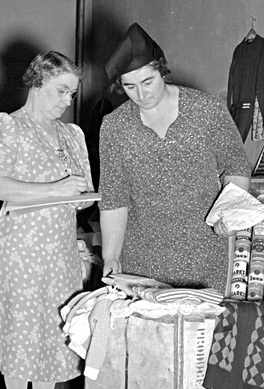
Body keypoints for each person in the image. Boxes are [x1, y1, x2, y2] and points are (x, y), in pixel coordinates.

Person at [0, 51, 95, 389]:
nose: (67, 100)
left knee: (51, 332)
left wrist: (78, 195)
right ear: (37, 81)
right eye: (62, 90)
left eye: (72, 93)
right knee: (21, 332)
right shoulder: (9, 126)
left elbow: (80, 198)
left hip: (59, 248)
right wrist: (59, 188)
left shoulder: (72, 135)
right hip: (22, 247)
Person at [98, 23, 251, 294]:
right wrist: (111, 255)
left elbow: (235, 164)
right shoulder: (115, 126)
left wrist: (230, 212)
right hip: (142, 256)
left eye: (148, 82)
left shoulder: (206, 109)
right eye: (129, 87)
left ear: (162, 69)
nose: (141, 95)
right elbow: (114, 197)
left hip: (203, 250)